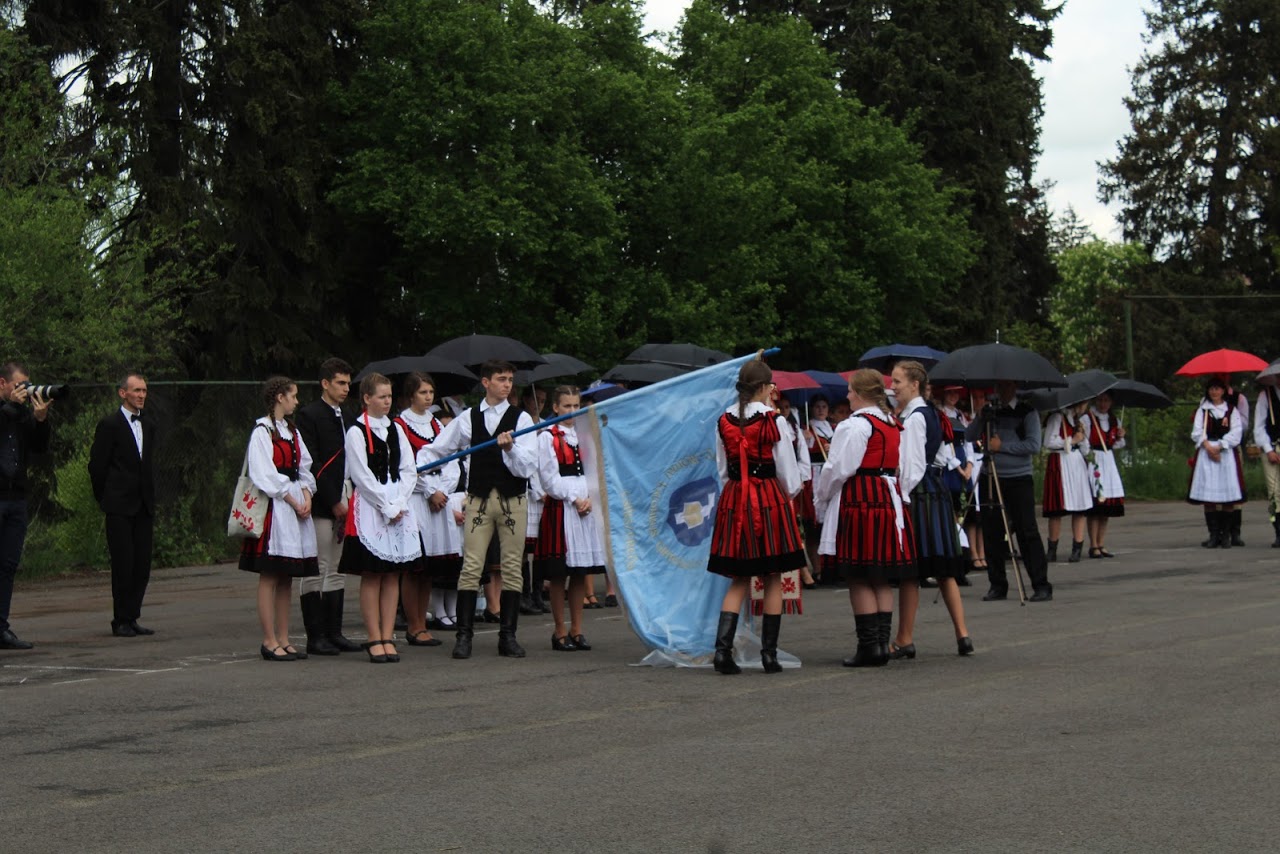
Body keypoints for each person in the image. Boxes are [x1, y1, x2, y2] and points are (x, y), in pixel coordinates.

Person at [418, 360, 538, 660]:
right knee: (471, 566)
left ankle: (507, 637)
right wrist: (418, 467)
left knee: (512, 568)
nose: (507, 384)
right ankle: (464, 637)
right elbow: (438, 449)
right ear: (486, 382)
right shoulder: (468, 418)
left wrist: (510, 448)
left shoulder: (521, 419)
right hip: (479, 500)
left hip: (512, 500)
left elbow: (527, 467)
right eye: (501, 379)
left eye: (510, 379)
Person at [707, 360, 805, 674]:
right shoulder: (774, 421)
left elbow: (722, 471)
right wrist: (784, 496)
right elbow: (789, 474)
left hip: (736, 499)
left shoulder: (723, 420)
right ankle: (769, 655)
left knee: (739, 578)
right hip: (767, 499)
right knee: (773, 575)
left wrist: (736, 494)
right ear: (764, 388)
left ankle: (722, 652)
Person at [815, 368, 915, 667]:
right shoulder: (891, 423)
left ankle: (870, 647)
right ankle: (881, 644)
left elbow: (838, 469)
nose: (846, 396)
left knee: (858, 574)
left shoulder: (855, 425)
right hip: (886, 495)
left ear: (859, 393)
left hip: (862, 497)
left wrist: (821, 495)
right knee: (880, 574)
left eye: (849, 391)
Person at [339, 373, 423, 663]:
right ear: (367, 398)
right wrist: (387, 506)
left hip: (397, 503)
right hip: (372, 508)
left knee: (392, 574)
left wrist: (400, 501)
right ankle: (374, 636)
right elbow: (361, 476)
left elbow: (409, 468)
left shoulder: (396, 430)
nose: (387, 401)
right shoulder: (356, 432)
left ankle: (388, 635)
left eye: (389, 396)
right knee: (373, 574)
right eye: (382, 397)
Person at [892, 363, 972, 657]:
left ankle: (904, 638)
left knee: (911, 571)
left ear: (914, 384)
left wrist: (901, 497)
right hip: (937, 491)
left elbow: (912, 467)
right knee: (943, 569)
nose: (893, 387)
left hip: (921, 492)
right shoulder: (934, 413)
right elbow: (943, 455)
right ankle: (963, 635)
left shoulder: (914, 419)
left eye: (898, 381)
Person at [238, 376, 320, 661]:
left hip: (295, 505)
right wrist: (291, 498)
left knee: (286, 577)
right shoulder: (262, 431)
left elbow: (305, 467)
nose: (296, 401)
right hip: (277, 508)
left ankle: (284, 638)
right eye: (293, 396)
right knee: (270, 574)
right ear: (279, 398)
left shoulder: (291, 431)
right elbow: (264, 474)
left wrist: (307, 495)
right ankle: (268, 639)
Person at [294, 358, 361, 656]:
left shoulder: (348, 416)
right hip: (321, 501)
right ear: (325, 383)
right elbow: (313, 463)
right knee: (317, 566)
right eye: (340, 383)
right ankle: (315, 635)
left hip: (346, 496)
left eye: (348, 383)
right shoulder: (309, 415)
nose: (346, 388)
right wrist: (333, 500)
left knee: (337, 568)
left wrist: (348, 498)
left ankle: (334, 632)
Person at [965, 380, 1053, 602]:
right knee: (992, 531)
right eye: (997, 387)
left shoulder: (1027, 412)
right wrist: (980, 416)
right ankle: (997, 585)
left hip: (1018, 477)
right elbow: (969, 436)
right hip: (991, 476)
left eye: (1005, 387)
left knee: (1026, 530)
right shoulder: (989, 411)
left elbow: (1033, 445)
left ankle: (1041, 584)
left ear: (1013, 388)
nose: (1000, 392)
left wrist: (1002, 447)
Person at [535, 386, 606, 651]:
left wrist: (590, 496)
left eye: (576, 406)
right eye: (567, 406)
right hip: (562, 508)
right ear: (555, 407)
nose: (572, 412)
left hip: (585, 505)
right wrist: (574, 498)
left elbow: (596, 470)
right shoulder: (547, 437)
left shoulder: (585, 434)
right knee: (558, 574)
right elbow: (549, 479)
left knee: (580, 572)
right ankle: (559, 630)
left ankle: (577, 629)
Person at [88, 372, 157, 637]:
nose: (141, 395)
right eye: (136, 390)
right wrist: (106, 498)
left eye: (144, 391)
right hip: (119, 505)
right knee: (123, 563)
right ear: (123, 393)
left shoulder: (149, 424)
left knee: (142, 563)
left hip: (143, 504)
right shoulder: (110, 425)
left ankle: (132, 615)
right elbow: (97, 465)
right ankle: (120, 619)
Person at [0, 363, 52, 650]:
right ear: (3, 384)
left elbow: (40, 447)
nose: (25, 391)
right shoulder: (7, 411)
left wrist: (41, 419)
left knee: (7, 565)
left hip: (16, 498)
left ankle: (1, 627)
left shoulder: (20, 414)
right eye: (20, 385)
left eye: (27, 386)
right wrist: (10, 407)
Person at [395, 372, 447, 647]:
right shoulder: (401, 424)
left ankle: (422, 623)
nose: (428, 397)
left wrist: (443, 491)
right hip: (416, 498)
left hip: (437, 498)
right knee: (413, 565)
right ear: (411, 395)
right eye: (423, 392)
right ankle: (413, 624)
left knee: (428, 567)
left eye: (431, 391)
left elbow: (451, 458)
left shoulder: (437, 424)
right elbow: (407, 466)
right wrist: (429, 490)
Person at [1189, 377, 1244, 548]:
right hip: (1207, 453)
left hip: (1225, 453)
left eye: (1217, 389)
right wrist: (1207, 446)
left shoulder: (1231, 410)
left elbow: (1237, 432)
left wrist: (1220, 446)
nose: (1214, 392)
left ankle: (1226, 534)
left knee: (1228, 496)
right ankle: (1213, 534)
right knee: (1209, 497)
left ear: (1222, 391)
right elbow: (1197, 431)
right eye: (1211, 389)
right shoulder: (1203, 410)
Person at [1042, 400, 1094, 563]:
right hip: (1060, 463)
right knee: (1057, 509)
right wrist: (1072, 440)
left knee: (1079, 507)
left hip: (1076, 464)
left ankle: (1077, 548)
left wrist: (1082, 437)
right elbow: (1049, 442)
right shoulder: (1057, 417)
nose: (1085, 408)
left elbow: (1085, 450)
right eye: (1083, 404)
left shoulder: (1078, 421)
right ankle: (1052, 549)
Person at [1087, 392, 1126, 557]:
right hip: (1095, 460)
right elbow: (1084, 442)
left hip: (1108, 461)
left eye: (1107, 400)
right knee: (1097, 505)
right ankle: (1093, 545)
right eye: (1101, 400)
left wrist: (1120, 437)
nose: (1103, 404)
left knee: (1107, 506)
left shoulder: (1114, 420)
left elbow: (1117, 445)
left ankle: (1101, 542)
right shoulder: (1088, 419)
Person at [1253, 381, 1280, 548]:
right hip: (1272, 447)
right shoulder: (1266, 395)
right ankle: (1278, 531)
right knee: (1274, 492)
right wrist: (1268, 449)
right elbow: (1259, 426)